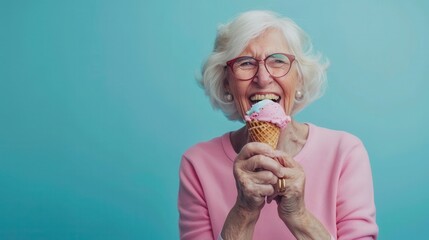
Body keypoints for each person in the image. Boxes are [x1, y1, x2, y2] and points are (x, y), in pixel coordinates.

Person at [178, 10, 378, 240]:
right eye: (245, 63)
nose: (263, 78)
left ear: (299, 78)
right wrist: (243, 211)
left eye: (278, 61)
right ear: (226, 84)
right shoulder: (198, 164)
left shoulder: (345, 153)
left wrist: (299, 216)